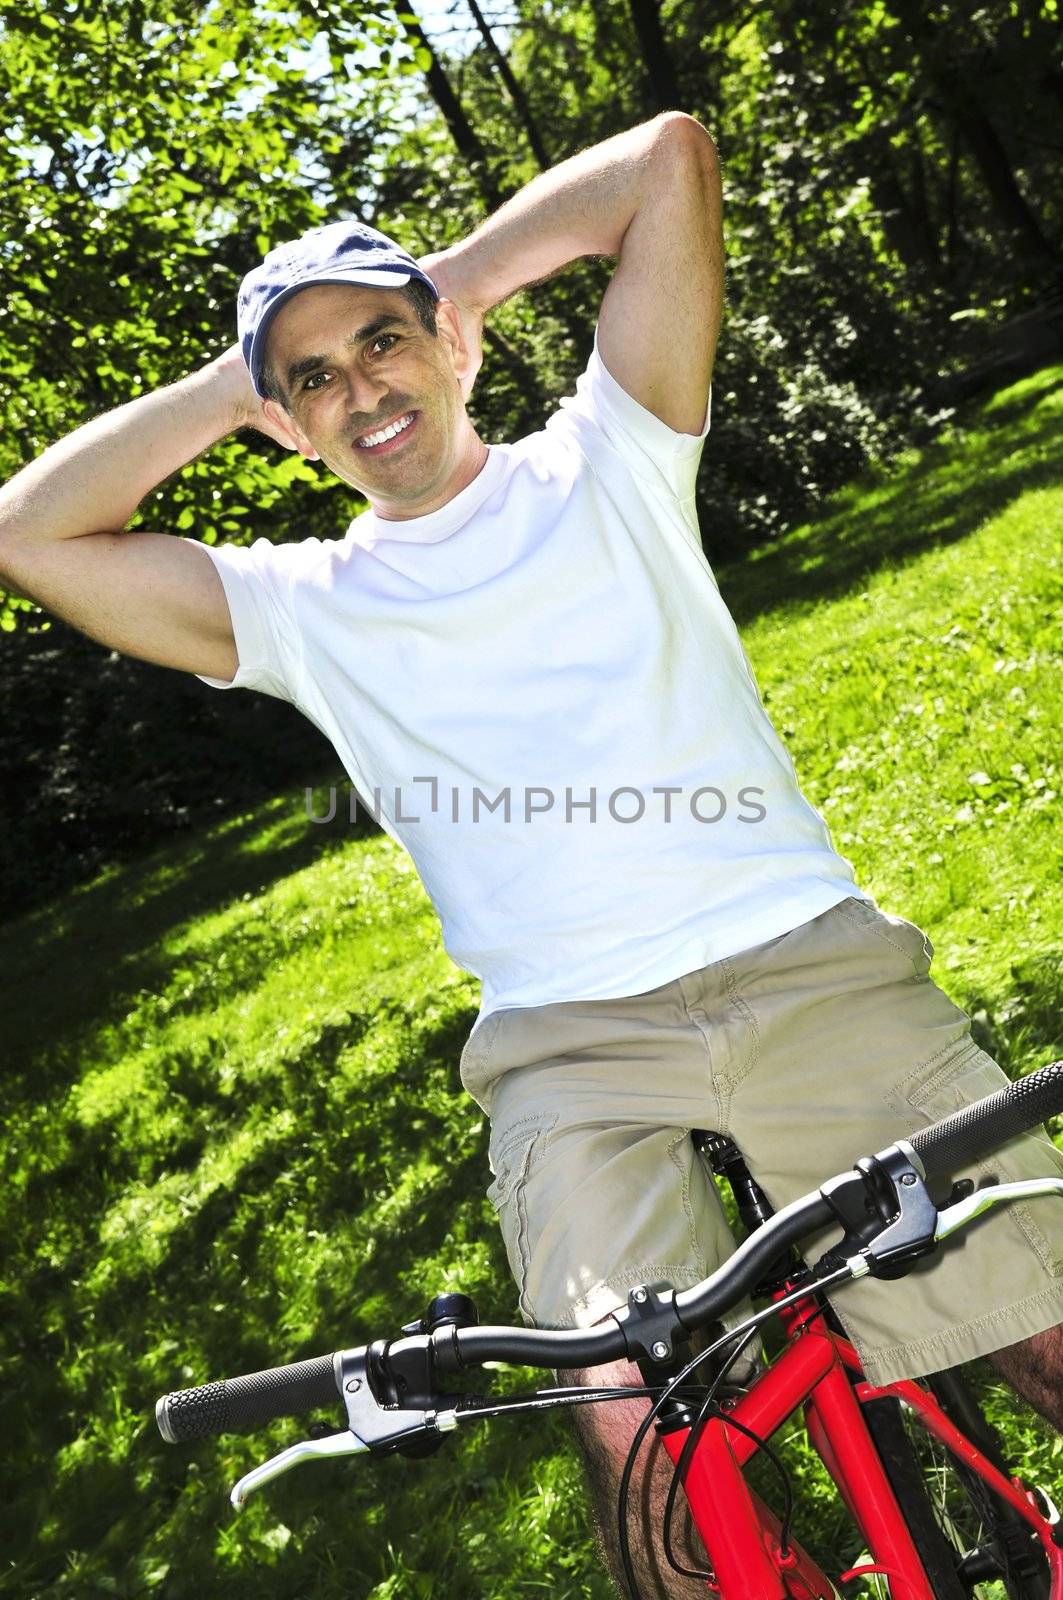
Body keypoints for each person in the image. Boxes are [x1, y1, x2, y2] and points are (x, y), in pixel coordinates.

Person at [2, 111, 1061, 1597]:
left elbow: (667, 163)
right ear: (290, 433)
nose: (360, 389)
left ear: (455, 346)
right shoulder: (298, 606)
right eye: (315, 382)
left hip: (805, 968)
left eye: (382, 344)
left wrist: (456, 284)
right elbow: (33, 535)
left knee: (1051, 1330)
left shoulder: (610, 459)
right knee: (643, 1461)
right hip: (572, 1062)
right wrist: (228, 388)